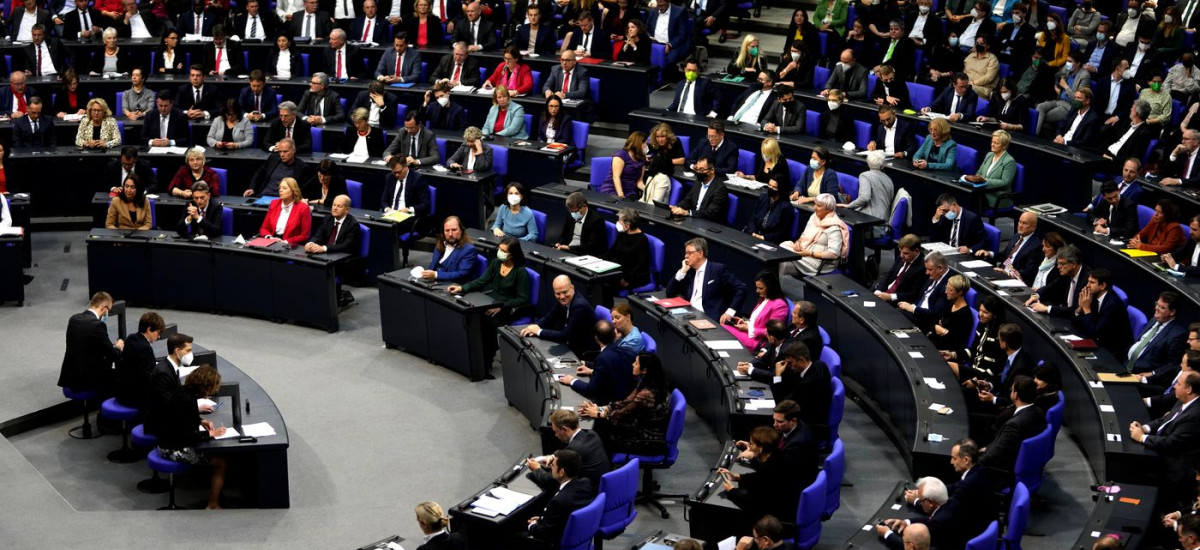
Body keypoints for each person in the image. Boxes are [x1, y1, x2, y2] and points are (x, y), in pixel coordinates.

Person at [148, 365, 229, 509]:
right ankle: (212, 504)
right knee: (221, 462)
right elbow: (188, 436)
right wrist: (211, 433)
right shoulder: (188, 399)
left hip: (166, 441)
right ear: (205, 386)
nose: (214, 391)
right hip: (171, 448)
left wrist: (201, 421)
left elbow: (180, 417)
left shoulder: (184, 393)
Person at [448, 236, 532, 374]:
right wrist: (462, 288)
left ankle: (485, 364)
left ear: (512, 254)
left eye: (503, 250)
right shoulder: (496, 263)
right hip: (489, 302)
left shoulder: (520, 272)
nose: (500, 252)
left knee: (486, 324)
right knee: (473, 317)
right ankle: (472, 358)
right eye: (499, 249)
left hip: (506, 307)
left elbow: (523, 299)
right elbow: (482, 280)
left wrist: (501, 307)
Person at [736, 400, 820, 488]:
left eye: (779, 422)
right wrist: (755, 446)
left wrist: (754, 456)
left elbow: (776, 472)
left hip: (794, 485)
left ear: (793, 421)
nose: (774, 424)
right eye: (774, 420)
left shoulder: (797, 444)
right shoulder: (792, 427)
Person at [978, 375, 1047, 481]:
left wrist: (974, 463)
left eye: (1012, 390)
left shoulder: (1015, 425)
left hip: (1002, 470)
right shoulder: (1038, 412)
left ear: (1015, 395)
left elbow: (995, 455)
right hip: (1025, 463)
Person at [522, 450, 596, 547]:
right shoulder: (586, 484)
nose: (550, 468)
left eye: (552, 465)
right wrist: (542, 519)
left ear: (561, 472)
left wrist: (533, 526)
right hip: (579, 536)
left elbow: (543, 534)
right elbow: (564, 515)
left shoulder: (558, 501)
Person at [666, 237, 748, 322]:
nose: (686, 256)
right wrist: (682, 272)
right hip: (688, 313)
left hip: (708, 318)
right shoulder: (689, 271)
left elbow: (741, 288)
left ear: (700, 253)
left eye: (689, 253)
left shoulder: (717, 269)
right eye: (686, 253)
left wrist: (730, 312)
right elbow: (669, 292)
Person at [526, 409, 610, 491]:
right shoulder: (591, 434)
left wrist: (536, 469)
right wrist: (553, 456)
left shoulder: (574, 450)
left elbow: (550, 480)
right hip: (605, 484)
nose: (556, 435)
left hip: (590, 493)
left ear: (565, 429)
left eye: (556, 431)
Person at [58, 291, 124, 394]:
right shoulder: (97, 325)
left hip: (69, 377)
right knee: (121, 376)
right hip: (86, 380)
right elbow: (113, 355)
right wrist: (118, 347)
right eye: (109, 310)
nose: (108, 314)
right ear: (103, 308)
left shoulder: (74, 319)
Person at [558, 321, 637, 404]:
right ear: (614, 335)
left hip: (610, 402)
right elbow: (614, 366)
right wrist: (589, 367)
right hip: (627, 397)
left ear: (596, 338)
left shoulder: (603, 358)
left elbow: (591, 390)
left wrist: (572, 380)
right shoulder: (628, 351)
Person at [521, 275, 599, 357]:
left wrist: (538, 331)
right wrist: (535, 326)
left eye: (565, 292)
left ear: (572, 288)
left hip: (585, 351)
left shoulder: (580, 306)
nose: (561, 297)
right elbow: (550, 317)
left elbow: (564, 335)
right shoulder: (566, 300)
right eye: (558, 293)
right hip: (572, 343)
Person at [305, 194, 362, 305]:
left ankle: (331, 300)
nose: (334, 208)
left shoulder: (353, 225)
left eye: (339, 206)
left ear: (347, 210)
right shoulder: (328, 218)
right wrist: (311, 243)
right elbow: (319, 235)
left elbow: (346, 246)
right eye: (334, 205)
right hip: (327, 255)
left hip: (345, 261)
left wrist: (324, 248)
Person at [1074, 268, 1134, 359]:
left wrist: (1086, 308)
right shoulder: (1094, 296)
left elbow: (1094, 333)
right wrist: (1079, 309)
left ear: (1102, 286)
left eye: (1092, 282)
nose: (1087, 286)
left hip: (1113, 351)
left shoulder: (1112, 305)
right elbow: (1076, 324)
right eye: (1088, 281)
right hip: (1099, 342)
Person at [784, 193, 848, 277]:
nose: (815, 207)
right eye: (815, 204)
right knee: (784, 245)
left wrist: (810, 253)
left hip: (817, 262)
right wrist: (798, 242)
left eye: (819, 206)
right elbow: (804, 234)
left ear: (828, 209)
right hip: (804, 251)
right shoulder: (814, 217)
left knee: (782, 261)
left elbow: (833, 254)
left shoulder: (834, 227)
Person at [743, 142, 794, 243]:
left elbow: (782, 232)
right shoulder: (763, 198)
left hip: (769, 241)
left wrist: (763, 238)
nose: (770, 188)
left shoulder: (786, 208)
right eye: (769, 186)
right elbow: (753, 219)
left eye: (773, 187)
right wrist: (753, 233)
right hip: (755, 235)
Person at [724, 271, 789, 350]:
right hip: (751, 334)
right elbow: (756, 321)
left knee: (724, 329)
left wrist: (749, 329)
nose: (757, 291)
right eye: (757, 287)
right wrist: (746, 323)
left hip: (760, 341)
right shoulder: (763, 298)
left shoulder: (780, 305)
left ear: (770, 287)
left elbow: (773, 332)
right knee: (724, 325)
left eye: (761, 288)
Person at [115, 311, 163, 409]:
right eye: (158, 332)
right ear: (149, 330)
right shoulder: (145, 348)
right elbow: (147, 378)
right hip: (134, 397)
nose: (159, 336)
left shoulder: (130, 338)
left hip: (121, 392)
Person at [977, 211, 1041, 284]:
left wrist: (1007, 273)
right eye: (1020, 222)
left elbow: (1028, 272)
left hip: (1013, 280)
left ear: (1033, 227)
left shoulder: (1036, 245)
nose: (1020, 225)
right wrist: (989, 253)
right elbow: (1005, 255)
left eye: (1025, 223)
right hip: (1001, 271)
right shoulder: (1017, 235)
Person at [844, 151, 894, 238]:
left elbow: (864, 198)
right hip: (883, 224)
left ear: (868, 163)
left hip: (871, 227)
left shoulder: (865, 176)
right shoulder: (889, 179)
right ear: (882, 165)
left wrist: (848, 206)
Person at [962, 130, 1016, 210]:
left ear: (1004, 146)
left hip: (996, 196)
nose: (992, 145)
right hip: (982, 192)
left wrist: (984, 181)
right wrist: (977, 179)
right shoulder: (989, 155)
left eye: (996, 143)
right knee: (965, 195)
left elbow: (1005, 182)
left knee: (972, 201)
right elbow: (979, 173)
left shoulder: (1009, 161)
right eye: (992, 142)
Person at [899, 252, 951, 331]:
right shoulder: (934, 276)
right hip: (917, 312)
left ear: (940, 268)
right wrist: (912, 306)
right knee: (895, 313)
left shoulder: (948, 285)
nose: (926, 272)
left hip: (926, 321)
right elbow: (920, 296)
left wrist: (913, 309)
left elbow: (935, 313)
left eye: (930, 269)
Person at [602, 208, 651, 292]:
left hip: (634, 276)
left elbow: (641, 264)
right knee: (599, 279)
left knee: (604, 284)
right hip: (620, 270)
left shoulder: (642, 240)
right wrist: (599, 262)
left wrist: (626, 279)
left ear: (628, 225)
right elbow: (612, 252)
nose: (617, 223)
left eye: (620, 222)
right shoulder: (622, 234)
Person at [671, 156, 730, 223]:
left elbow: (711, 212)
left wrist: (688, 212)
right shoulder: (698, 182)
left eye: (702, 170)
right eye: (697, 169)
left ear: (712, 170)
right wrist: (676, 207)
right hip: (695, 220)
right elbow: (688, 200)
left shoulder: (720, 189)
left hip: (710, 224)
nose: (698, 172)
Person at [874, 234, 929, 304]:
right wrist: (879, 290)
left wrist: (891, 297)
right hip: (883, 291)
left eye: (906, 253)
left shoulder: (923, 267)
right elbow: (889, 274)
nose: (901, 256)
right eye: (900, 251)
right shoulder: (902, 256)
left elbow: (914, 294)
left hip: (898, 300)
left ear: (916, 251)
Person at [247, 138, 313, 197]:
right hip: (265, 195)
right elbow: (259, 173)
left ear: (293, 150)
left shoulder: (302, 167)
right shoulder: (273, 159)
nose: (282, 154)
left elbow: (302, 190)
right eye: (280, 151)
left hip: (284, 199)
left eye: (285, 151)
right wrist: (252, 188)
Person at [422, 216, 479, 284]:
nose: (450, 234)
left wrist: (436, 275)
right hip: (434, 283)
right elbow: (432, 266)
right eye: (447, 230)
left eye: (454, 230)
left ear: (461, 231)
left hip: (452, 285)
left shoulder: (469, 250)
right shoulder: (440, 244)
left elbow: (462, 274)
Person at [380, 157, 431, 231]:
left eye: (399, 172)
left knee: (393, 228)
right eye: (394, 172)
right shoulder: (390, 177)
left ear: (406, 166)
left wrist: (408, 209)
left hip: (407, 216)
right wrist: (387, 209)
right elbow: (383, 201)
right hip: (390, 215)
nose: (397, 175)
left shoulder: (418, 179)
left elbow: (426, 204)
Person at [258, 177, 312, 246]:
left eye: (284, 188)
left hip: (290, 245)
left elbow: (305, 235)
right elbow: (264, 228)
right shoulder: (274, 203)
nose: (280, 190)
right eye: (280, 188)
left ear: (293, 191)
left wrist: (285, 242)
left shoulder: (303, 208)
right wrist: (270, 237)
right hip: (271, 241)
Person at [929, 274, 974, 354]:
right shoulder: (949, 304)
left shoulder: (965, 315)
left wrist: (943, 331)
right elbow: (934, 323)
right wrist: (938, 328)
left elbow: (958, 343)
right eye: (946, 288)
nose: (946, 292)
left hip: (945, 352)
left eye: (950, 290)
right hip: (934, 343)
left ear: (960, 292)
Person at [598, 132, 646, 199]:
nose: (646, 146)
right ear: (638, 144)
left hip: (630, 191)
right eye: (645, 144)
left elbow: (639, 181)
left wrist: (646, 190)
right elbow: (616, 177)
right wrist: (621, 195)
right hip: (613, 189)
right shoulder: (621, 155)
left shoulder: (642, 159)